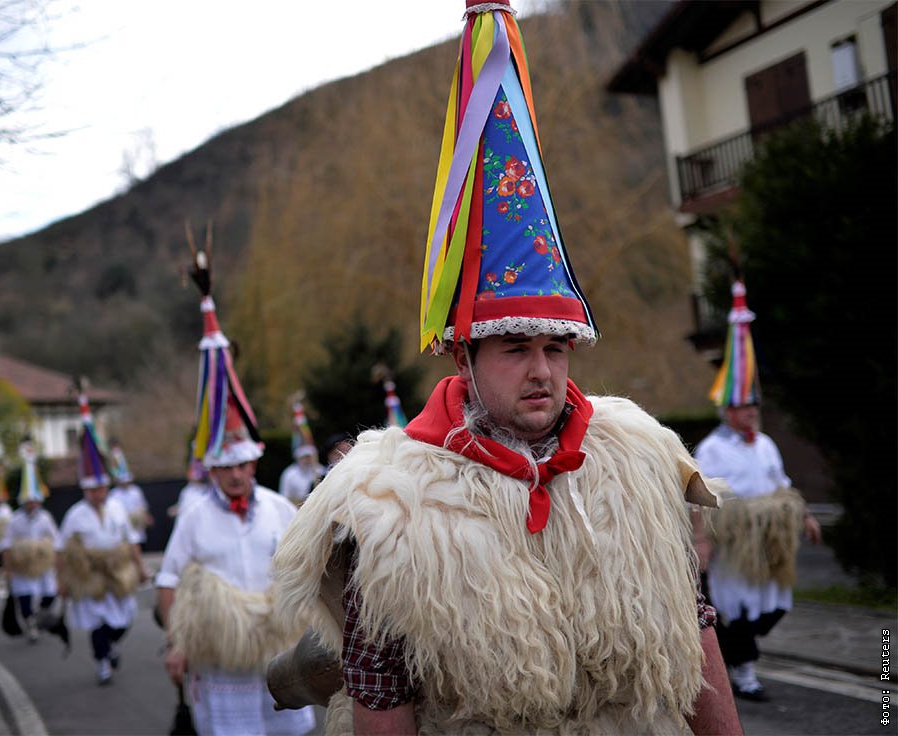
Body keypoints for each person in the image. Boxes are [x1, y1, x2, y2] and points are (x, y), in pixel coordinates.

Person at [270, 4, 741, 734]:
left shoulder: (638, 463)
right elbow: (380, 693)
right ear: (465, 354)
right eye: (516, 348)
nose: (544, 370)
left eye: (555, 348)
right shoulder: (391, 509)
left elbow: (696, 630)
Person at [156, 243, 315, 736]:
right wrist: (176, 641)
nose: (236, 475)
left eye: (243, 465)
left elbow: (306, 570)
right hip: (221, 663)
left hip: (277, 655)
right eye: (226, 468)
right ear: (212, 471)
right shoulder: (194, 517)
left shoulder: (278, 509)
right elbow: (167, 584)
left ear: (253, 463)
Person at [694, 279, 822, 702]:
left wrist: (803, 516)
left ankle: (739, 661)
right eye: (743, 409)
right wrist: (703, 542)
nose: (751, 415)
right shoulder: (711, 449)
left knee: (774, 605)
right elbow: (702, 495)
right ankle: (744, 674)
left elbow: (782, 485)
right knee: (736, 611)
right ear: (728, 411)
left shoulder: (765, 444)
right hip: (734, 547)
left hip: (767, 545)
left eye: (754, 408)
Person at [57, 392, 148, 686]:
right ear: (86, 490)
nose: (100, 493)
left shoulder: (118, 508)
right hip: (91, 575)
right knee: (97, 620)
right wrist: (62, 580)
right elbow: (62, 549)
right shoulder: (74, 516)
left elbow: (130, 539)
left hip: (117, 571)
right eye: (94, 489)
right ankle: (102, 664)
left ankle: (111, 645)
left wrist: (140, 567)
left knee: (123, 619)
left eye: (103, 488)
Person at [0, 440, 59, 643]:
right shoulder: (15, 519)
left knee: (49, 594)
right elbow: (7, 545)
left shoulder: (46, 517)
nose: (32, 504)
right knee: (24, 594)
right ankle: (30, 624)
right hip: (22, 566)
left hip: (41, 565)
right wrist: (8, 568)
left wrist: (55, 560)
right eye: (29, 501)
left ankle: (40, 614)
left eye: (35, 501)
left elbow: (55, 540)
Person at [107, 441, 153, 547]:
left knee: (136, 542)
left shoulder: (136, 491)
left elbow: (142, 505)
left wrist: (146, 516)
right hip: (121, 526)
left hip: (136, 525)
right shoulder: (114, 494)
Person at [278, 401, 324, 506]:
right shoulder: (289, 474)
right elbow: (284, 498)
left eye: (309, 456)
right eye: (304, 457)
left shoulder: (320, 470)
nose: (307, 460)